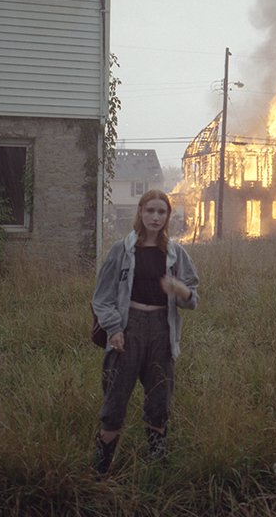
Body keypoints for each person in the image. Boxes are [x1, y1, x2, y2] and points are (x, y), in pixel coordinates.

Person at [91, 189, 199, 472]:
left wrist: (181, 290)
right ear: (140, 212)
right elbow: (102, 298)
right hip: (129, 327)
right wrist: (114, 328)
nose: (155, 217)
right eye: (150, 210)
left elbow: (192, 300)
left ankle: (156, 466)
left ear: (168, 216)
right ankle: (101, 468)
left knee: (160, 398)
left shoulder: (175, 254)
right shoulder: (122, 250)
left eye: (162, 212)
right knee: (116, 397)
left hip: (162, 330)